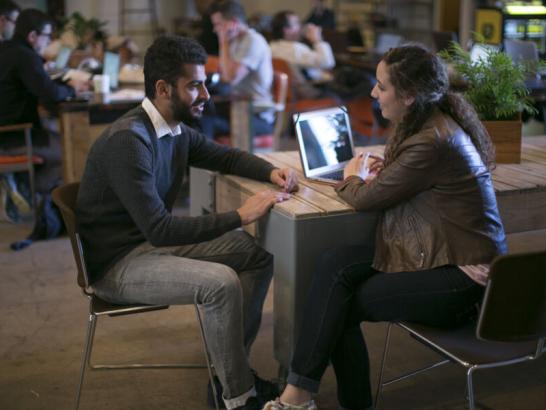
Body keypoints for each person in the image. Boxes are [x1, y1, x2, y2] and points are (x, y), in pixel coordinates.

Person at [264, 44, 507, 410]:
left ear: (409, 96)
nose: (373, 93)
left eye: (382, 86)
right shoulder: (431, 124)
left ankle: (305, 398)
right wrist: (388, 172)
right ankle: (302, 395)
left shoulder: (430, 141)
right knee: (334, 264)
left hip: (462, 279)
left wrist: (350, 177)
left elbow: (363, 200)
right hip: (441, 253)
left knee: (339, 302)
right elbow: (415, 184)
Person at [76, 35, 298, 410]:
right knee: (220, 284)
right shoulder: (130, 141)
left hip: (148, 246)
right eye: (194, 85)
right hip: (118, 263)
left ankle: (230, 372)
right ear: (163, 89)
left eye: (204, 83)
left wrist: (271, 171)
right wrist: (240, 216)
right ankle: (238, 398)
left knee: (258, 253)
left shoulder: (172, 129)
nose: (206, 94)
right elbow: (160, 230)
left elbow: (224, 158)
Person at [0, 8, 88, 225]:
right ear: (32, 36)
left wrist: (65, 86)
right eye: (47, 36)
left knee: (59, 140)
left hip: (8, 132)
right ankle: (23, 186)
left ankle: (20, 185)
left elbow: (42, 85)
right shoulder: (25, 57)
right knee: (70, 150)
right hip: (15, 136)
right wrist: (73, 90)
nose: (49, 42)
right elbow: (48, 92)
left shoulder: (9, 50)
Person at [201, 0, 274, 139]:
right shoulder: (236, 41)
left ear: (233, 22)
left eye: (218, 24)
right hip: (238, 107)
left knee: (204, 120)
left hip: (256, 115)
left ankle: (204, 159)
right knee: (195, 111)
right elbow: (224, 75)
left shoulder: (253, 41)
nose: (215, 29)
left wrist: (223, 42)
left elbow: (230, 78)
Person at [270, 10, 335, 99]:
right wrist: (317, 39)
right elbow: (328, 62)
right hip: (308, 96)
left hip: (285, 96)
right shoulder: (295, 49)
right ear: (286, 30)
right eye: (297, 23)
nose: (301, 27)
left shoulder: (271, 47)